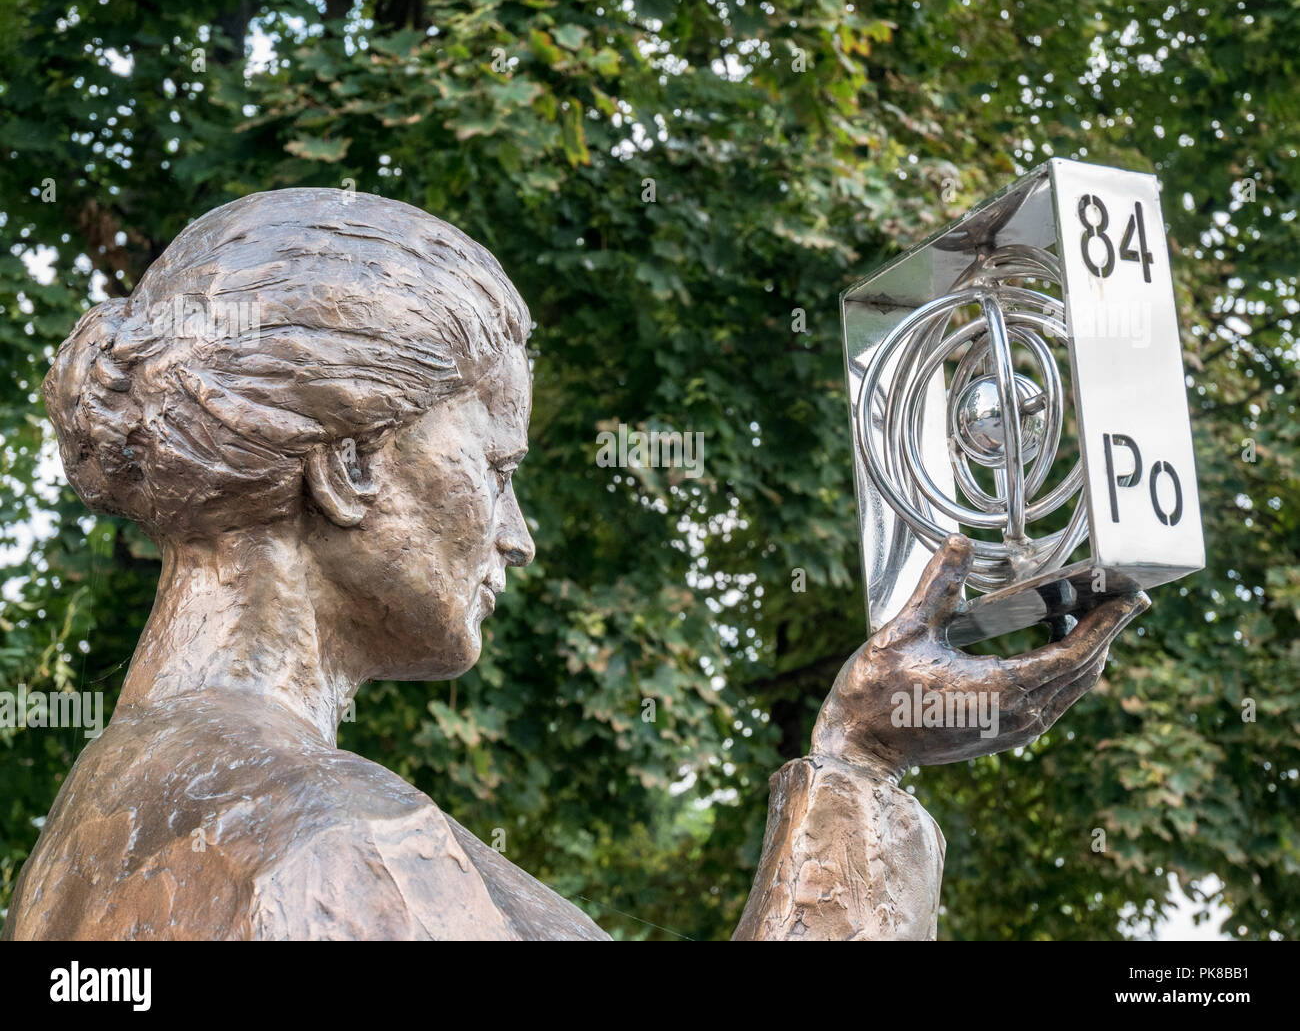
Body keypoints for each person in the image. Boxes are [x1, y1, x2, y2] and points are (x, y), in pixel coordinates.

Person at [3, 189, 1145, 940]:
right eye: (497, 466)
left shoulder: (103, 824)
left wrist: (853, 762)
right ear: (349, 463)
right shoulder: (337, 847)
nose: (517, 530)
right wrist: (861, 775)